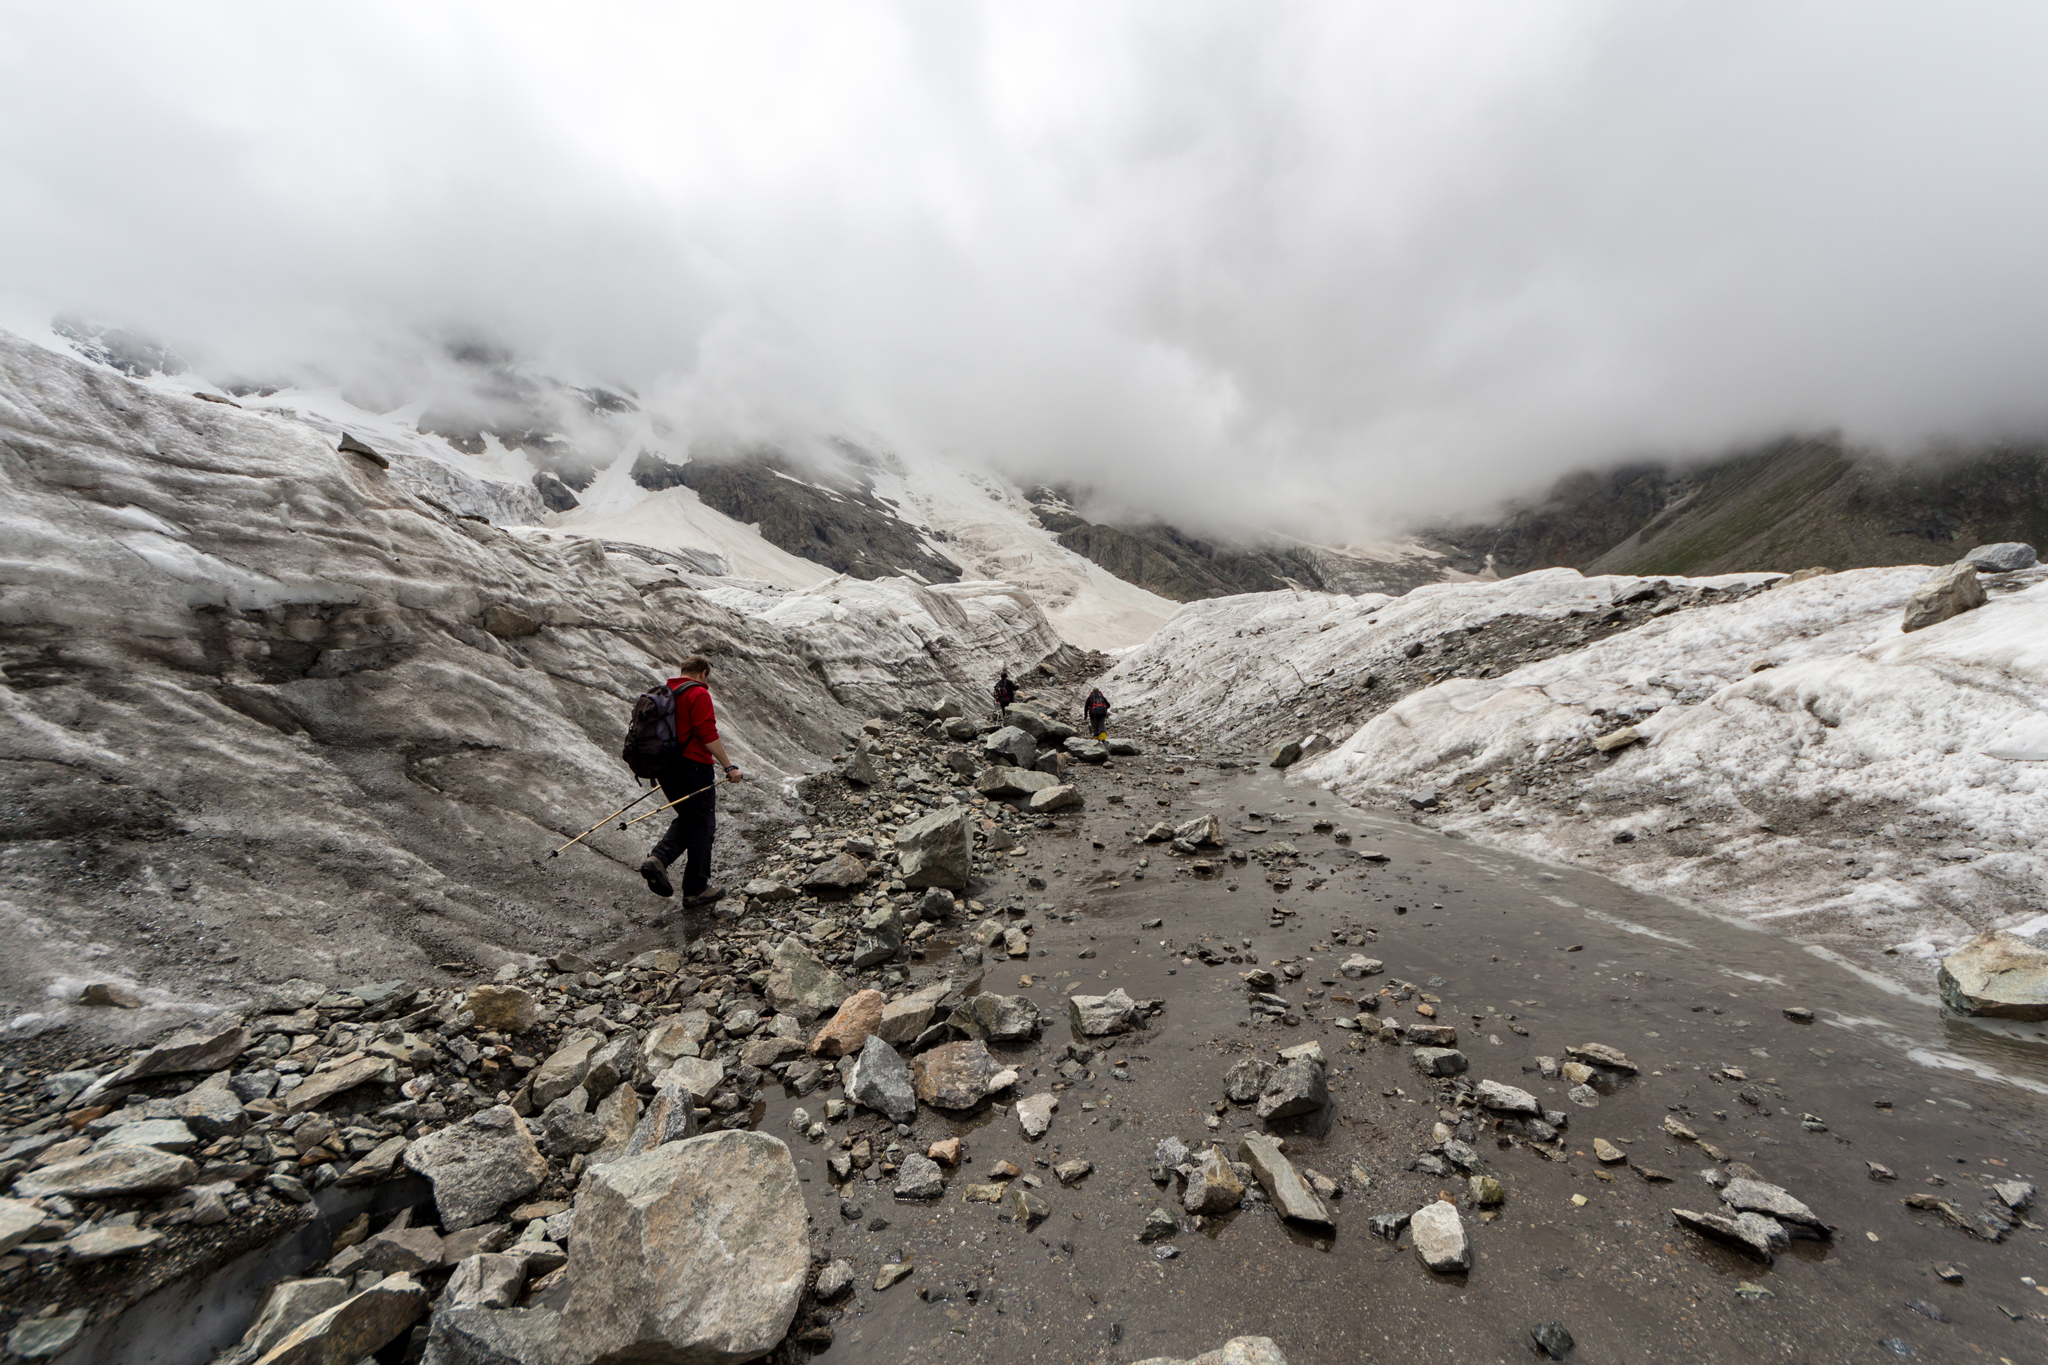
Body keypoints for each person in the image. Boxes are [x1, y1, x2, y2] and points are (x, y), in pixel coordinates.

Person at [638, 656, 743, 906]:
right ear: (703, 673)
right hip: (694, 767)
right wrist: (729, 767)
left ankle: (659, 860)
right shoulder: (698, 693)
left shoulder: (665, 693)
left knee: (690, 819)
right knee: (703, 825)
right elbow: (706, 731)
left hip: (664, 769)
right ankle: (696, 889)